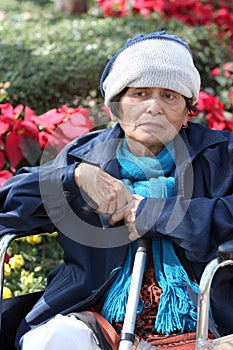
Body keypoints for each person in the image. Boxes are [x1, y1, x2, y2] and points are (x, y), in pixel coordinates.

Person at [0, 31, 233, 350]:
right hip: (95, 314)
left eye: (169, 96)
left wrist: (154, 213)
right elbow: (7, 206)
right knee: (50, 341)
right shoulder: (83, 157)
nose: (154, 107)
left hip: (208, 318)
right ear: (116, 107)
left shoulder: (222, 155)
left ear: (185, 113)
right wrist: (72, 179)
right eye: (139, 93)